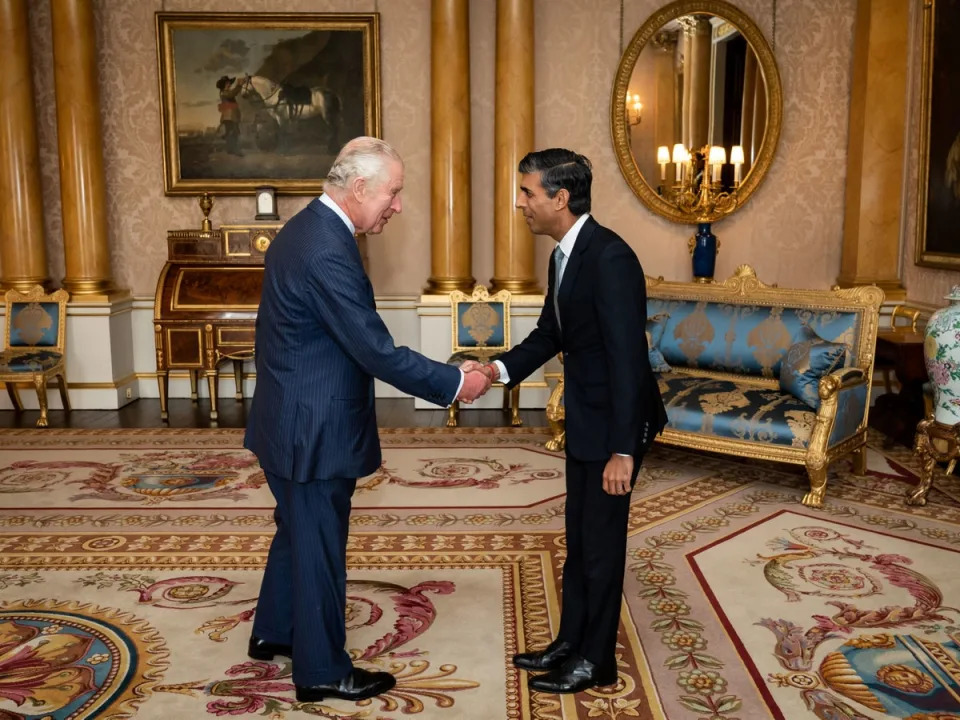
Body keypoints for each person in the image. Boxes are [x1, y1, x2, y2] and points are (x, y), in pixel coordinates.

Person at [244, 137, 491, 703]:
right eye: (394, 192)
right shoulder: (327, 248)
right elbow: (375, 350)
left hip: (288, 416)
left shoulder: (307, 227)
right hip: (312, 428)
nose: (398, 206)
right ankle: (323, 672)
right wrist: (456, 382)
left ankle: (276, 632)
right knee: (318, 545)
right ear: (359, 189)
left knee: (296, 530)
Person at [466, 148, 667, 694]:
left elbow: (629, 358)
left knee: (601, 547)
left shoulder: (610, 258)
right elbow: (551, 335)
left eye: (528, 192)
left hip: (614, 429)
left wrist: (625, 449)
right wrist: (497, 369)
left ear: (560, 197)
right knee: (580, 540)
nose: (520, 203)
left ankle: (595, 660)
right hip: (586, 419)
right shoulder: (564, 255)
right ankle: (570, 642)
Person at [217, 75, 246, 156]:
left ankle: (231, 150)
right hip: (229, 116)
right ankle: (234, 150)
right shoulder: (224, 92)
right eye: (227, 83)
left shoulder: (225, 92)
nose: (229, 85)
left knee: (232, 132)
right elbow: (232, 94)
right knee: (233, 133)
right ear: (224, 85)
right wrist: (239, 84)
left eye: (229, 83)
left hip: (230, 116)